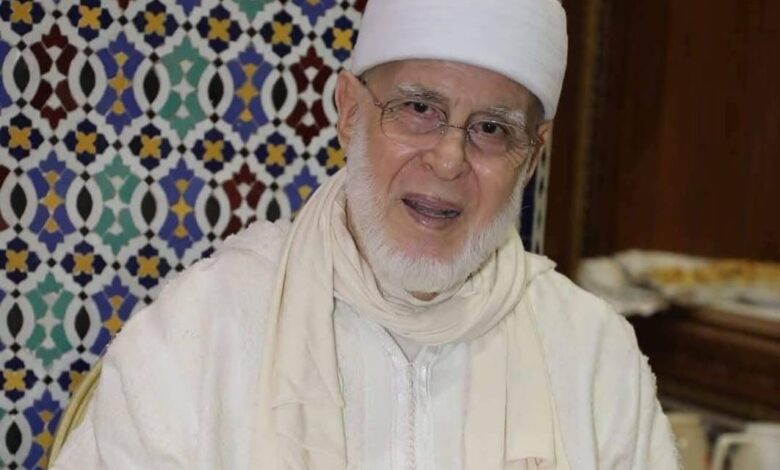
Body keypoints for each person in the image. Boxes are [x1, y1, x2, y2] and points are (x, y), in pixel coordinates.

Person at [52, 0, 679, 468]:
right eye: (419, 108)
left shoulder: (594, 359)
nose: (448, 160)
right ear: (350, 111)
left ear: (532, 156)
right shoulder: (203, 332)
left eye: (492, 129)